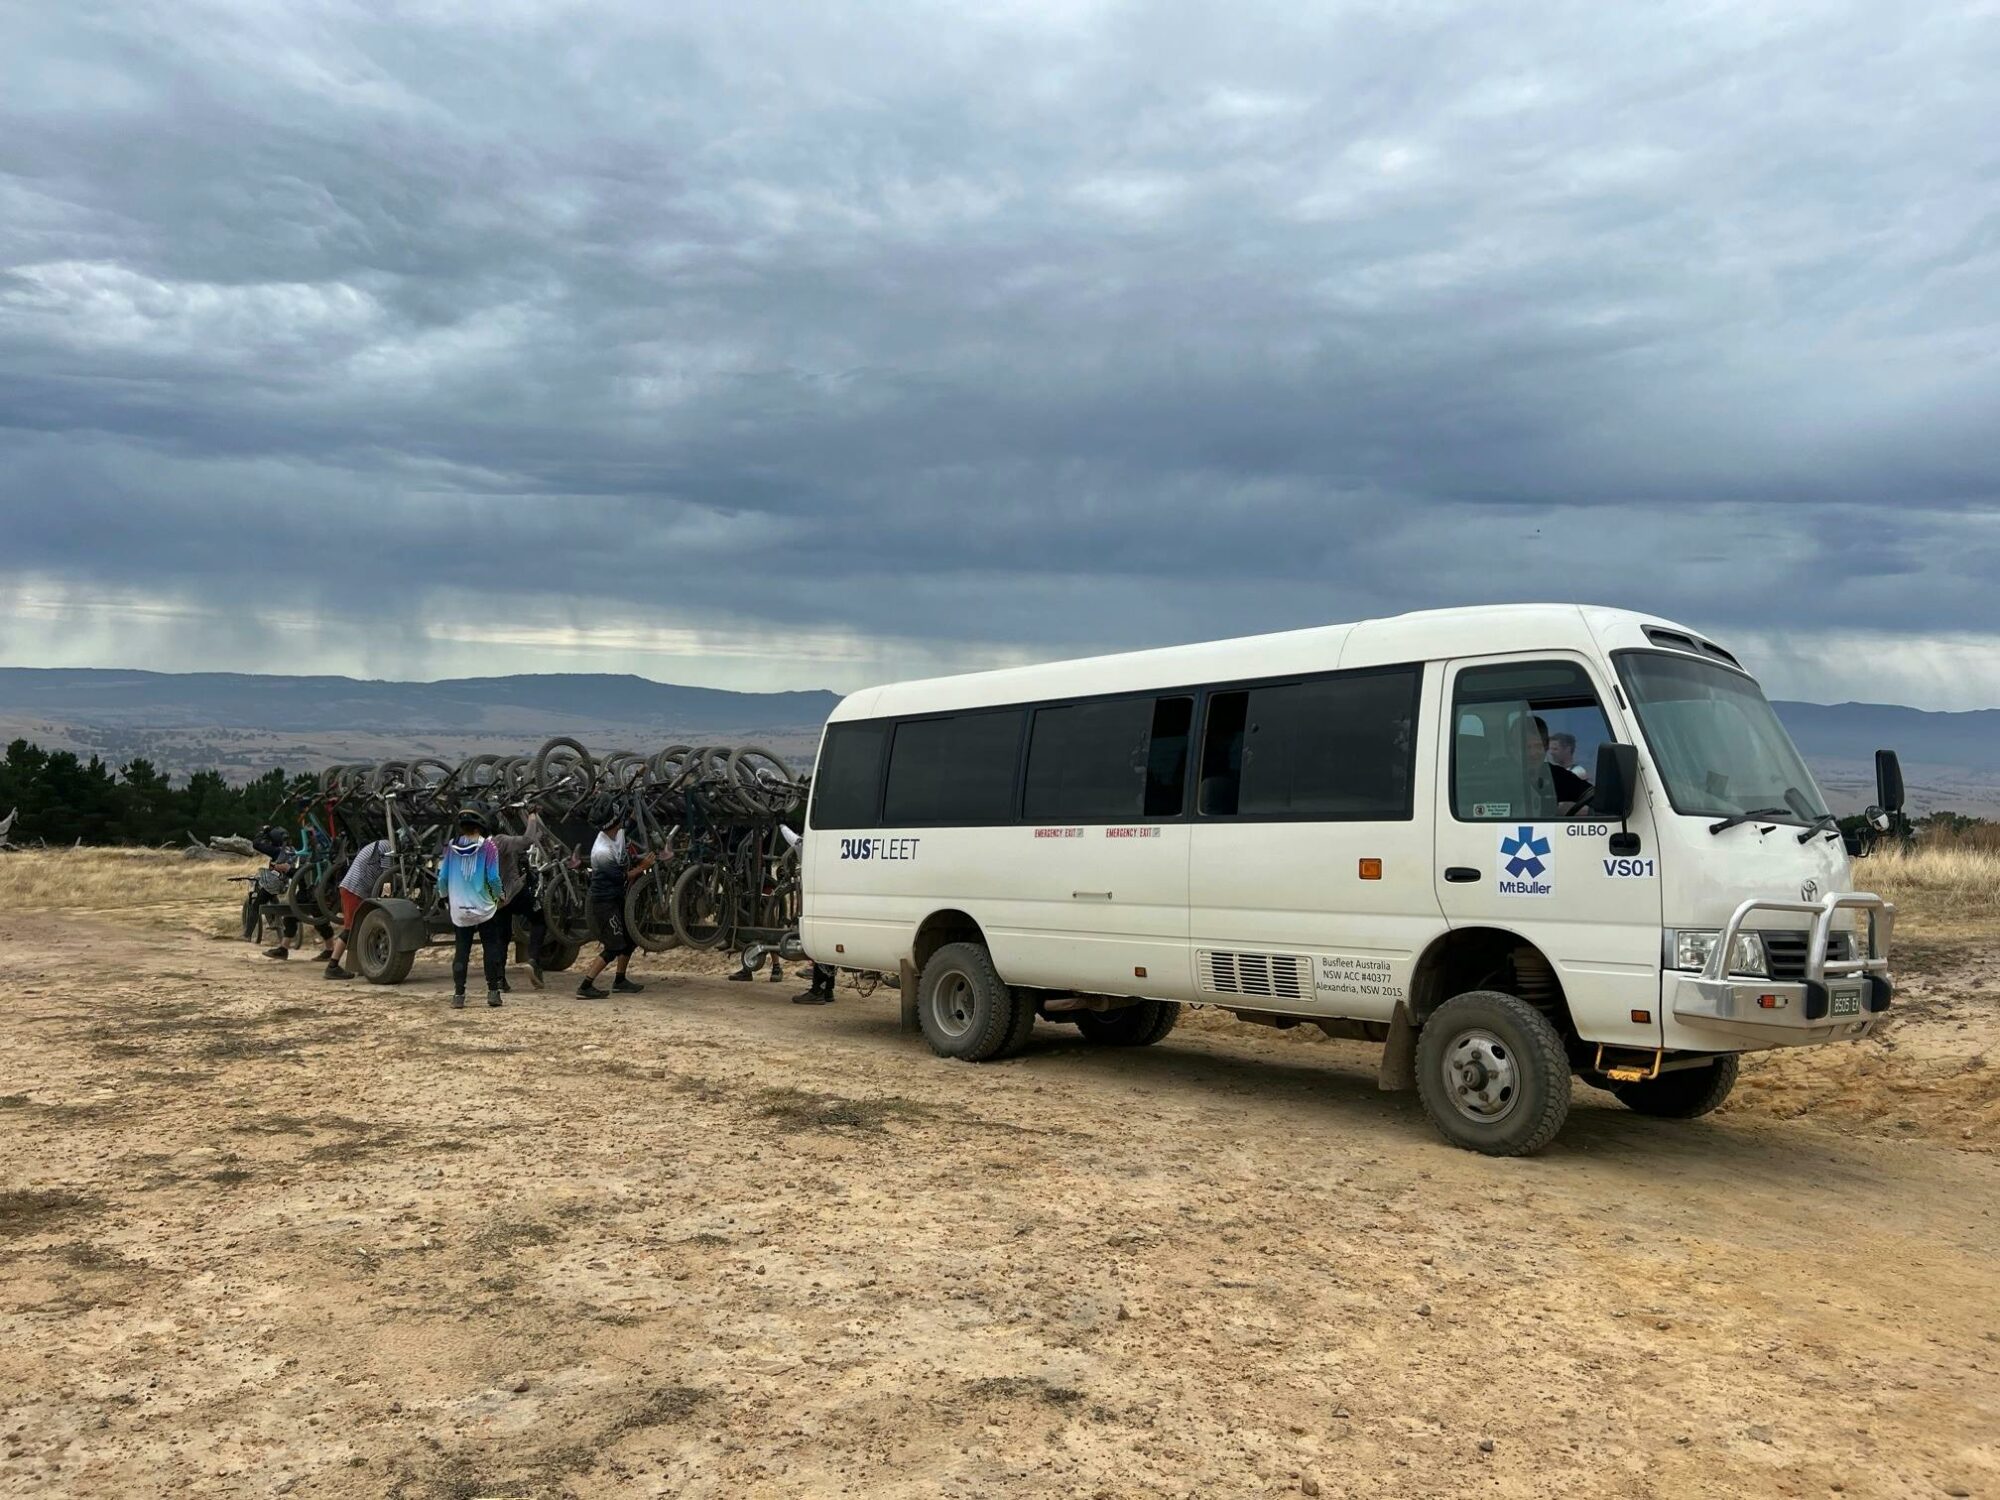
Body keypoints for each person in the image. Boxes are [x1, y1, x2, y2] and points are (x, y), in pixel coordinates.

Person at [576, 798, 652, 1000]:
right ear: (614, 821)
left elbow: (631, 823)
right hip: (603, 902)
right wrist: (642, 867)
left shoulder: (616, 832)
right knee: (613, 946)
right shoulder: (602, 851)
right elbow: (621, 876)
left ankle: (620, 980)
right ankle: (585, 985)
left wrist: (638, 799)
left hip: (616, 897)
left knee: (629, 939)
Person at [437, 806, 507, 1010]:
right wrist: (500, 895)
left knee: (462, 951)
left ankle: (459, 995)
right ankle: (493, 992)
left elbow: (442, 878)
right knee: (490, 947)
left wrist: (444, 897)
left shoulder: (450, 847)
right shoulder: (489, 847)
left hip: (459, 909)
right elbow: (493, 878)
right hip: (483, 907)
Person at [250, 823, 333, 963]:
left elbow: (303, 872)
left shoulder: (315, 853)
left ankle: (329, 950)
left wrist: (287, 869)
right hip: (307, 890)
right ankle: (284, 948)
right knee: (293, 917)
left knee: (317, 918)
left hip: (315, 890)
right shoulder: (304, 852)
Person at [490, 809, 547, 990]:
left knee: (502, 937)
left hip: (496, 901)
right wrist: (531, 818)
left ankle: (499, 980)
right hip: (515, 893)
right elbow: (527, 841)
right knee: (539, 918)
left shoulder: (481, 846)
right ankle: (533, 960)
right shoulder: (501, 841)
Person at [323, 834, 393, 981]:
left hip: (354, 888)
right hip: (354, 889)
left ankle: (361, 965)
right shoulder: (388, 847)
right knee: (350, 929)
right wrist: (388, 897)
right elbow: (387, 875)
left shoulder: (380, 844)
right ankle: (332, 966)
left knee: (361, 928)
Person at [1525, 716, 1591, 811]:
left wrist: (1580, 810)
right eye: (1527, 747)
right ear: (1512, 748)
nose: (1533, 753)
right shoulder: (1499, 780)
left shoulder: (1559, 776)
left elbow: (1595, 800)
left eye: (1538, 746)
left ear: (1546, 747)